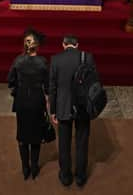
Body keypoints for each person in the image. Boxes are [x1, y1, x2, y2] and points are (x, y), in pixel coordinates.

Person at [49, 34, 96, 187]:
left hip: (63, 106)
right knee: (82, 142)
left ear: (63, 44)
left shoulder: (55, 59)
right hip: (83, 107)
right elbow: (94, 83)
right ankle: (81, 177)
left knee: (64, 143)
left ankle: (65, 176)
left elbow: (53, 88)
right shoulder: (88, 57)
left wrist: (53, 110)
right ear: (77, 45)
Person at [8, 29, 49, 180]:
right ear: (37, 45)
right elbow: (48, 85)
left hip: (22, 101)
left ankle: (25, 168)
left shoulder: (18, 60)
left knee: (22, 135)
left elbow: (10, 80)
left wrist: (18, 87)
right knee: (36, 135)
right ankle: (34, 167)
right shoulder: (43, 62)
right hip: (37, 101)